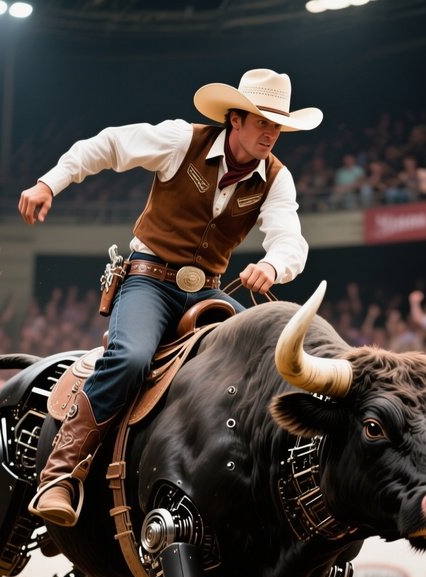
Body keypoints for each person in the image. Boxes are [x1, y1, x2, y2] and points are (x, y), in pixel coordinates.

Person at [18, 68, 322, 526]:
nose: (272, 133)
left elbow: (290, 239)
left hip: (211, 292)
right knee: (131, 358)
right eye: (263, 121)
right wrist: (49, 183)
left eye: (278, 125)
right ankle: (60, 475)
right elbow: (108, 146)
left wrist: (273, 266)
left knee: (273, 363)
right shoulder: (183, 140)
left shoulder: (277, 179)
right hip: (149, 281)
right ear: (235, 120)